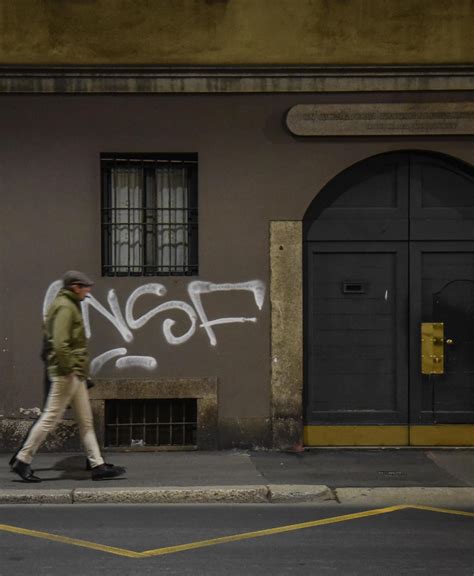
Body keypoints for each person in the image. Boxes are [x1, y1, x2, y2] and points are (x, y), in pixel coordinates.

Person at [11, 271, 126, 482]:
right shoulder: (65, 307)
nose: (88, 290)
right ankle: (22, 459)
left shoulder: (70, 304)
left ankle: (97, 465)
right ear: (75, 286)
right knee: (50, 419)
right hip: (67, 374)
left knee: (86, 421)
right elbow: (60, 343)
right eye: (85, 286)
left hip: (75, 373)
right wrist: (69, 369)